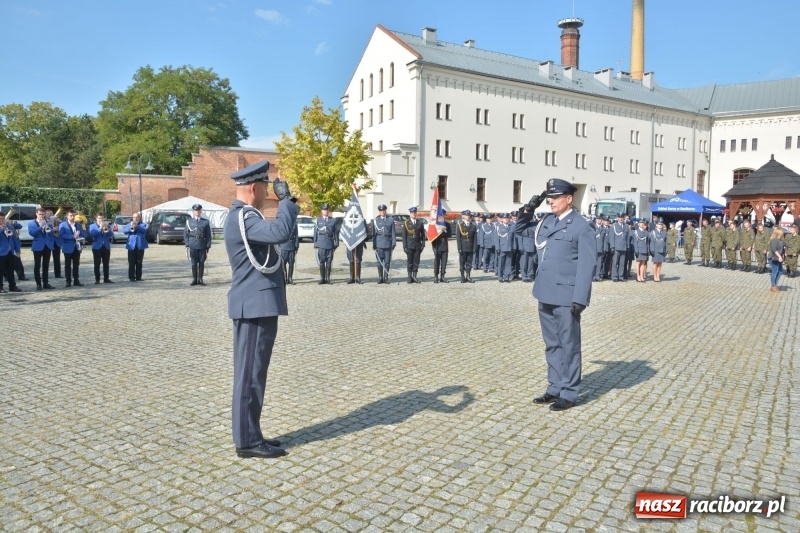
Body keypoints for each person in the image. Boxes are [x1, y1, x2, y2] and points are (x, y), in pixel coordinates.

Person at [224, 160, 298, 459]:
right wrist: (287, 201)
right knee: (250, 375)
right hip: (254, 306)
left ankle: (251, 432)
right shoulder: (244, 218)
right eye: (266, 187)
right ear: (253, 187)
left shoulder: (245, 216)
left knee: (254, 373)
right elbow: (279, 231)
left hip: (257, 304)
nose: (269, 192)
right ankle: (247, 441)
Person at [515, 179, 595, 412]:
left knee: (569, 345)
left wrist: (581, 298)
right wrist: (530, 208)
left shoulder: (581, 226)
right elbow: (519, 230)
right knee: (552, 344)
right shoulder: (546, 221)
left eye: (555, 197)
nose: (550, 201)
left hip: (566, 296)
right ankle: (555, 386)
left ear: (568, 199)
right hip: (545, 291)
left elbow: (586, 265)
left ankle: (569, 392)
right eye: (548, 197)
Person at [185, 204, 213, 286]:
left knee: (201, 262)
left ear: (201, 211)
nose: (197, 212)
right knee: (193, 262)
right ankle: (194, 279)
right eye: (195, 210)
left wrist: (208, 245)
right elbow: (186, 234)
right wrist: (187, 243)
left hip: (202, 244)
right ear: (193, 211)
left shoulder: (205, 222)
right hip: (193, 243)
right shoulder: (189, 221)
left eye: (198, 210)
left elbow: (208, 234)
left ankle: (200, 279)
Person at [28, 207, 56, 290]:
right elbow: (32, 233)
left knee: (46, 265)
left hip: (47, 246)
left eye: (43, 214)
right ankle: (38, 284)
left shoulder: (48, 223)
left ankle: (46, 283)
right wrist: (40, 227)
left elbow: (51, 234)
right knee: (37, 266)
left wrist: (49, 228)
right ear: (36, 214)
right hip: (37, 246)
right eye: (40, 214)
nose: (41, 216)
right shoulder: (31, 223)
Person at [59, 209, 86, 287]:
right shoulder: (63, 225)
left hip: (77, 247)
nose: (73, 217)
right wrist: (72, 236)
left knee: (76, 264)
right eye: (71, 215)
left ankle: (76, 280)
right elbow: (61, 235)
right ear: (67, 216)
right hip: (68, 247)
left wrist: (81, 238)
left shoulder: (78, 225)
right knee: (67, 265)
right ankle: (68, 281)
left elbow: (82, 234)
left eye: (73, 215)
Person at [313, 204, 338, 284]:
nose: (326, 211)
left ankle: (328, 278)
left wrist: (336, 242)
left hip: (330, 242)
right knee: (322, 261)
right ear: (321, 211)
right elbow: (315, 233)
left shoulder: (333, 220)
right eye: (324, 210)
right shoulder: (318, 220)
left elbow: (335, 232)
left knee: (329, 261)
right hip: (321, 242)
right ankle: (322, 278)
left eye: (327, 210)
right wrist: (315, 243)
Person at [401, 206, 426, 283]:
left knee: (416, 261)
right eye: (412, 213)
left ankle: (415, 276)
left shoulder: (420, 223)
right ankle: (409, 276)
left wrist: (423, 245)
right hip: (409, 245)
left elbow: (423, 235)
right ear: (410, 214)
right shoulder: (406, 223)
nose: (414, 214)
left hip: (417, 245)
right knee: (409, 261)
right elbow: (404, 236)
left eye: (415, 213)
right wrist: (405, 246)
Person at [372, 205, 395, 284]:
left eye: (384, 210)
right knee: (379, 261)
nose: (383, 212)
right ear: (379, 212)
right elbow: (374, 234)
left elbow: (393, 232)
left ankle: (386, 277)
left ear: (386, 211)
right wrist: (374, 244)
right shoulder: (376, 220)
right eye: (381, 211)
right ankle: (380, 277)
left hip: (388, 243)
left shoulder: (390, 220)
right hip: (379, 243)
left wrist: (394, 243)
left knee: (387, 261)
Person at [0, 212, 22, 293]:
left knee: (10, 270)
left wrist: (17, 250)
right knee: (0, 271)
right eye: (0, 219)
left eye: (3, 218)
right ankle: (0, 287)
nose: (2, 220)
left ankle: (12, 286)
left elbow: (15, 239)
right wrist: (1, 230)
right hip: (1, 252)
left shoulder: (10, 227)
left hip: (10, 252)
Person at [89, 213, 114, 284]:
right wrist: (100, 228)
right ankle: (97, 279)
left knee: (106, 263)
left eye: (102, 218)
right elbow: (93, 234)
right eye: (99, 218)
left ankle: (106, 278)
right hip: (97, 247)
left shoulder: (107, 225)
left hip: (106, 246)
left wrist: (106, 228)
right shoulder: (92, 226)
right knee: (97, 263)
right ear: (96, 219)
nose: (101, 220)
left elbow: (111, 235)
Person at [125, 212, 148, 282]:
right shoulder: (129, 224)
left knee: (139, 262)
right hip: (131, 245)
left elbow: (144, 231)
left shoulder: (143, 224)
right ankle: (131, 277)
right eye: (134, 217)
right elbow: (125, 231)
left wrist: (137, 226)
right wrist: (131, 227)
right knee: (131, 262)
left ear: (139, 218)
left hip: (140, 245)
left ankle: (138, 277)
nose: (136, 218)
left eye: (137, 217)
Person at [456, 210, 477, 283]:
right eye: (467, 215)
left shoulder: (473, 226)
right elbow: (458, 238)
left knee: (469, 262)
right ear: (463, 216)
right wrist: (459, 248)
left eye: (469, 215)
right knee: (462, 262)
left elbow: (475, 238)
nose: (468, 217)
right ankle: (462, 277)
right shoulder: (460, 225)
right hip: (463, 246)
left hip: (470, 247)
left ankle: (468, 276)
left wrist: (474, 247)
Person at [280, 214, 300, 285]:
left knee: (291, 263)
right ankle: (284, 278)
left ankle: (290, 278)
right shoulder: (282, 222)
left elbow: (296, 235)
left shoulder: (294, 223)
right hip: (284, 245)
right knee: (283, 263)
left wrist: (297, 245)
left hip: (291, 245)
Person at [431, 210, 450, 283]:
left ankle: (442, 276)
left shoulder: (447, 224)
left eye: (443, 215)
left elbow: (449, 234)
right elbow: (432, 236)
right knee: (437, 262)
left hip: (444, 245)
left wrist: (443, 231)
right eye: (440, 215)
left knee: (444, 262)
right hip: (437, 245)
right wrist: (433, 247)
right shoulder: (435, 225)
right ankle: (436, 276)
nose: (442, 217)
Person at [495, 213, 514, 282]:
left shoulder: (511, 227)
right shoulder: (498, 227)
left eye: (507, 218)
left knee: (508, 264)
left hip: (509, 248)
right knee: (501, 263)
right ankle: (500, 277)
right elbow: (497, 238)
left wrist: (513, 247)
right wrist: (497, 247)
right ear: (502, 219)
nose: (506, 219)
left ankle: (506, 277)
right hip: (502, 248)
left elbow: (513, 238)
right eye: (505, 218)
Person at [767, 226, 786, 292]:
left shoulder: (780, 240)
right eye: (782, 231)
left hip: (778, 257)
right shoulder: (774, 240)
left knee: (780, 271)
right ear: (778, 232)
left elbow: (782, 248)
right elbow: (774, 249)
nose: (783, 233)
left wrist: (782, 255)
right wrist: (779, 256)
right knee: (775, 271)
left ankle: (774, 284)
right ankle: (773, 285)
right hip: (773, 258)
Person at [47, 209, 63, 279]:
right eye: (48, 214)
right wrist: (53, 229)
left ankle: (58, 274)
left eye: (51, 214)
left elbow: (64, 227)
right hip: (49, 242)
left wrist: (60, 222)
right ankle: (45, 274)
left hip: (56, 241)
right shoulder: (45, 222)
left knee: (57, 258)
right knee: (46, 259)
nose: (50, 215)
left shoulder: (57, 221)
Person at [592, 215, 606, 281]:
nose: (599, 220)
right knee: (593, 263)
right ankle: (593, 276)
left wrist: (605, 248)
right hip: (594, 248)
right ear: (595, 220)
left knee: (599, 263)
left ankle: (597, 276)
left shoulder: (603, 228)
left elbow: (605, 240)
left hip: (600, 248)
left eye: (600, 219)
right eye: (598, 219)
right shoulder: (592, 228)